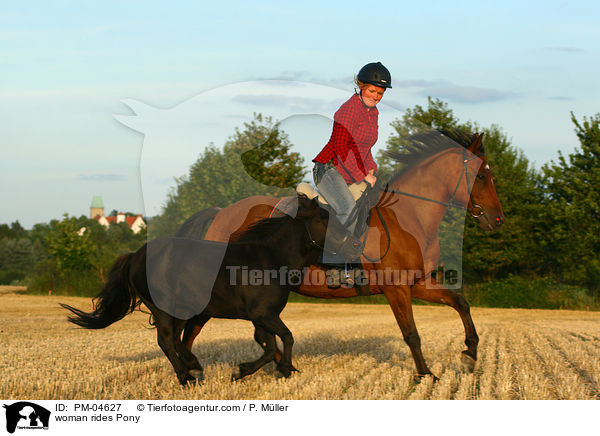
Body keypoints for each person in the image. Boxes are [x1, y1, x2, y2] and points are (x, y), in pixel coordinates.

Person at [312, 61, 392, 288]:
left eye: (380, 93)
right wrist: (362, 175)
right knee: (347, 208)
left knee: (369, 209)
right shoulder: (348, 109)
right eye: (372, 91)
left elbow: (364, 147)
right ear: (361, 86)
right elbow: (341, 147)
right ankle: (333, 266)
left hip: (353, 171)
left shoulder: (373, 113)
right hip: (329, 168)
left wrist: (371, 168)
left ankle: (356, 267)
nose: (376, 96)